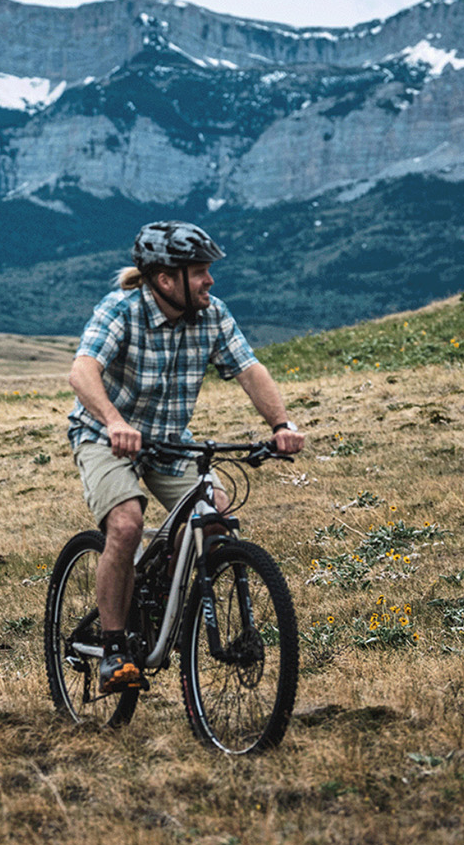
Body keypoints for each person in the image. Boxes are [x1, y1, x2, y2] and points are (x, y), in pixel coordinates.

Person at [65, 220, 305, 694]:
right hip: (105, 436)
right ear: (164, 279)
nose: (209, 281)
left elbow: (249, 370)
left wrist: (281, 425)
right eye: (199, 272)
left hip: (171, 443)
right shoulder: (122, 310)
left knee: (214, 519)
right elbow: (82, 370)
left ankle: (164, 605)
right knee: (127, 524)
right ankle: (114, 647)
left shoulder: (211, 314)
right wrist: (114, 421)